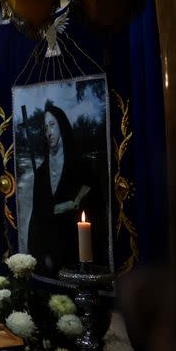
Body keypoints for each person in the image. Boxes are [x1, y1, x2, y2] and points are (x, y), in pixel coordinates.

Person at [27, 101, 101, 279]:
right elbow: (37, 217)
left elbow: (95, 206)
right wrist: (41, 254)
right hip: (48, 256)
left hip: (76, 253)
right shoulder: (42, 173)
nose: (49, 132)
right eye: (45, 128)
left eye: (52, 125)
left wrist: (72, 206)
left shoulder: (82, 167)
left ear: (62, 126)